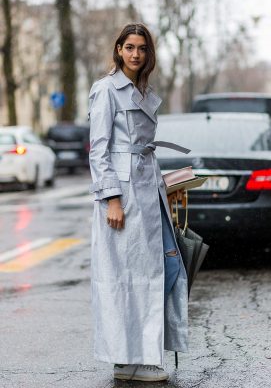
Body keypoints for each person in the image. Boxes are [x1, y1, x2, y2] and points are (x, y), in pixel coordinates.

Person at [88, 23, 188, 382]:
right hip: (124, 197)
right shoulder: (106, 90)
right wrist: (112, 199)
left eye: (142, 48)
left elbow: (145, 150)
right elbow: (98, 151)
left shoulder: (145, 91)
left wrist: (168, 186)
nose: (135, 54)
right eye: (128, 47)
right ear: (118, 50)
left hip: (150, 190)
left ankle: (141, 354)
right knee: (124, 278)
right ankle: (129, 358)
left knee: (162, 270)